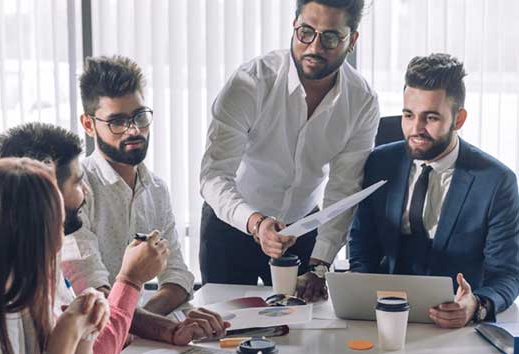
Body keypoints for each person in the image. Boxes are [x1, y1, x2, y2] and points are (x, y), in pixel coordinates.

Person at [199, 0, 379, 301]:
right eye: (305, 32)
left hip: (303, 228)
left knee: (302, 332)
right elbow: (213, 176)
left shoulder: (361, 101)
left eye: (331, 37)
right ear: (294, 25)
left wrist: (320, 264)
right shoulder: (250, 82)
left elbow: (343, 190)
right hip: (232, 224)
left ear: (352, 41)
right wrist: (256, 223)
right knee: (225, 333)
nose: (314, 47)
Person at [0, 122, 221, 346]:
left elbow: (90, 341)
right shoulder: (1, 288)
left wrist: (170, 330)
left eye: (140, 117)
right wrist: (130, 280)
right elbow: (94, 343)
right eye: (76, 182)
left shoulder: (43, 261)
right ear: (46, 191)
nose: (84, 191)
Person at [62, 56, 228, 341]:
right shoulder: (75, 192)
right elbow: (93, 295)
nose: (134, 130)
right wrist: (160, 327)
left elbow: (178, 278)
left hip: (128, 339)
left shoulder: (156, 189)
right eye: (117, 121)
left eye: (139, 116)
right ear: (89, 125)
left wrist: (132, 316)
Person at [348, 53, 519, 328]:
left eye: (431, 118)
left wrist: (476, 305)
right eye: (408, 115)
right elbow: (361, 244)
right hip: (384, 315)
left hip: (455, 323)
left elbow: (507, 275)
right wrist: (360, 290)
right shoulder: (380, 163)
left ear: (459, 119)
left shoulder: (497, 181)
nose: (415, 129)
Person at [0, 158, 110, 354]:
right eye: (59, 226)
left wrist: (87, 329)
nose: (62, 239)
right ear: (31, 236)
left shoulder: (26, 292)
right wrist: (68, 330)